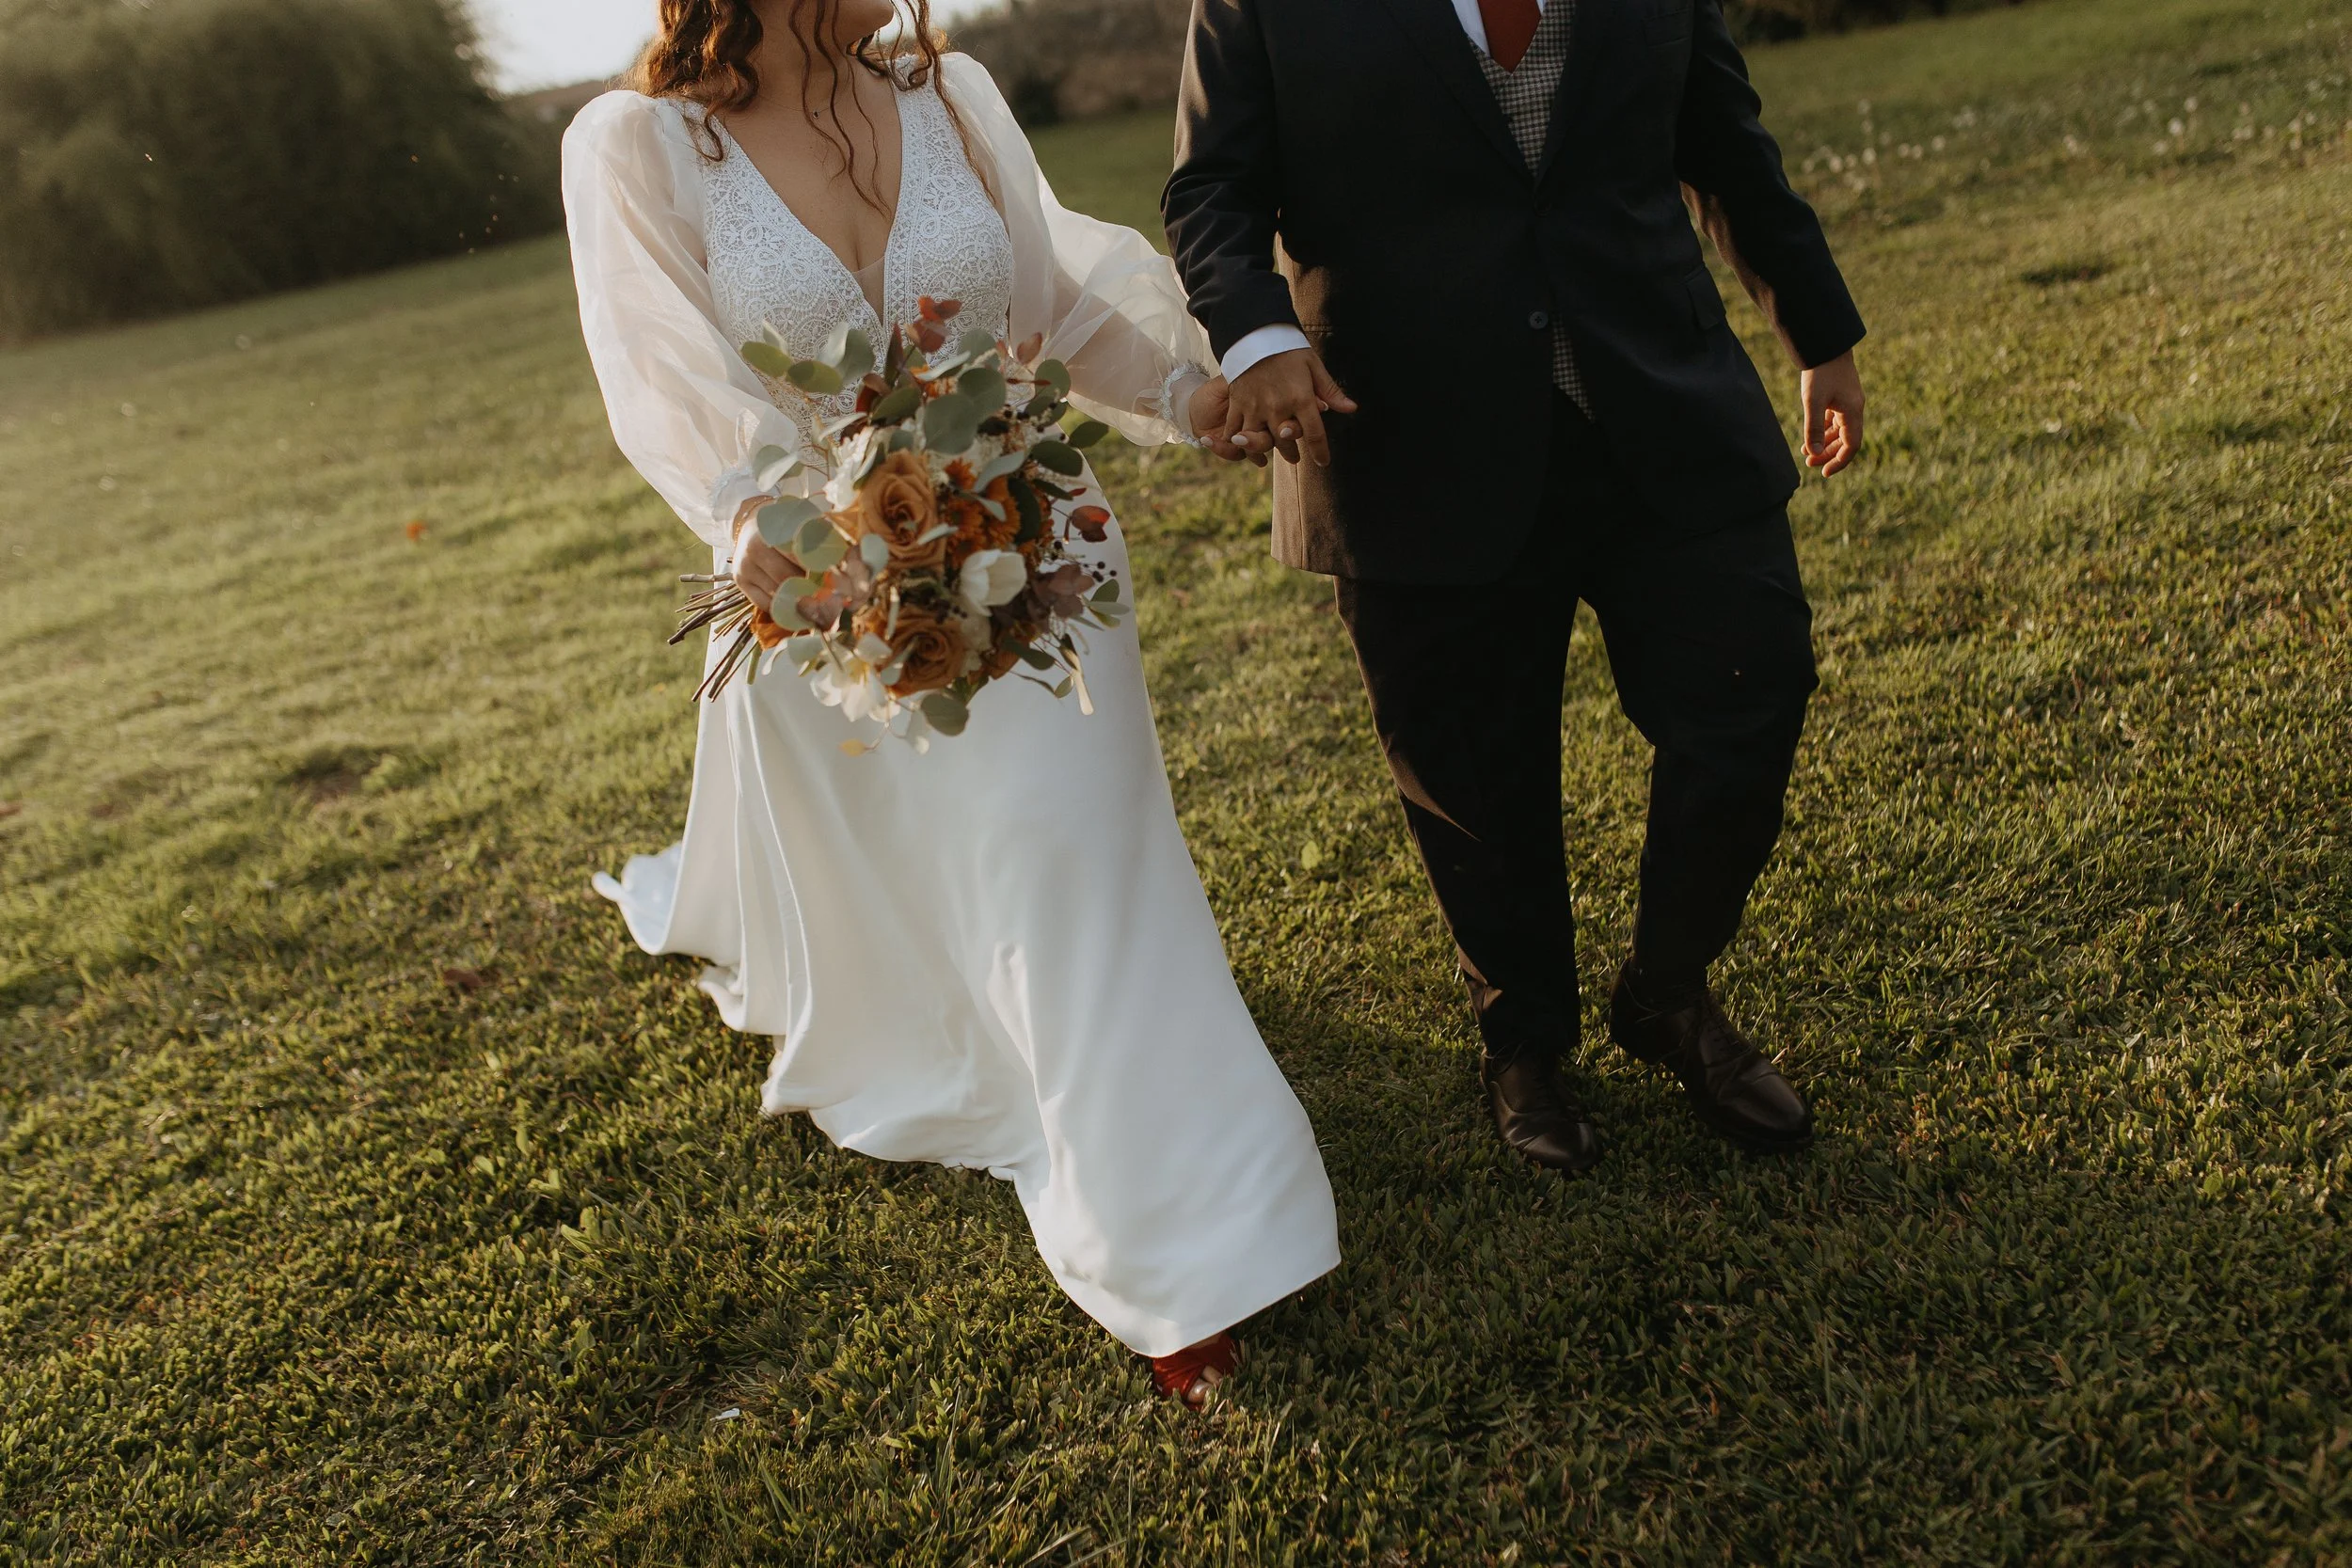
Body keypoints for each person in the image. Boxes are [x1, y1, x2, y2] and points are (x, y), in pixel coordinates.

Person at [564, 0, 1338, 1406]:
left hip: (1039, 553)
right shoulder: (640, 147)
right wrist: (793, 546)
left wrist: (1185, 387)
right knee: (961, 905)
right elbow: (662, 379)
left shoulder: (952, 94)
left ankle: (1173, 1252)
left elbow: (1055, 317)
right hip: (830, 601)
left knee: (1067, 868)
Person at [1164, 0, 1867, 1171]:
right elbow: (1211, 191)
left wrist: (1818, 337)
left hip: (1657, 398)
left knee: (1753, 682)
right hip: (1403, 432)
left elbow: (1725, 145)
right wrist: (1253, 334)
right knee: (1470, 776)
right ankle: (1523, 1040)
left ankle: (1666, 989)